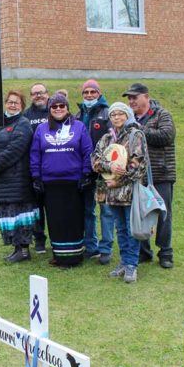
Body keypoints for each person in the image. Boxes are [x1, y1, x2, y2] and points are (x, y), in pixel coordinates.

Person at [29, 91, 93, 268]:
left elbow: (87, 151)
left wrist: (86, 173)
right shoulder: (42, 129)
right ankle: (59, 255)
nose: (58, 109)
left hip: (73, 182)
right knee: (56, 221)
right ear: (50, 109)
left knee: (73, 220)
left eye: (61, 106)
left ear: (67, 108)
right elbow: (35, 154)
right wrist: (36, 177)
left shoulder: (78, 126)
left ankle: (74, 256)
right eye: (54, 106)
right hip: (51, 183)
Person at [91, 102, 148, 283]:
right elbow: (95, 160)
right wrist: (109, 166)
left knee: (132, 230)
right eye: (113, 114)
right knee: (121, 229)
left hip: (129, 191)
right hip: (112, 193)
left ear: (127, 115)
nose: (116, 117)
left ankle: (132, 265)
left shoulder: (135, 135)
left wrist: (118, 181)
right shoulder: (107, 138)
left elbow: (139, 165)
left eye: (120, 114)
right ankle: (123, 262)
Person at [123, 83, 176, 269]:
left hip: (161, 174)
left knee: (163, 215)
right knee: (140, 214)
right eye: (129, 98)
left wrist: (139, 129)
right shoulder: (129, 118)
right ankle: (144, 253)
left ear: (146, 96)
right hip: (138, 175)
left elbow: (167, 136)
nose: (131, 101)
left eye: (134, 97)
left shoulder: (162, 114)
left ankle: (166, 253)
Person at [0, 90, 38, 262]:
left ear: (21, 106)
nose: (12, 105)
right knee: (8, 215)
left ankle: (23, 251)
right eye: (10, 102)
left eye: (16, 102)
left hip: (18, 180)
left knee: (20, 214)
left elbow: (15, 149)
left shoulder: (23, 124)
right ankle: (16, 249)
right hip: (0, 180)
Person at [74, 79, 115, 264]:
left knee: (106, 211)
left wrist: (104, 164)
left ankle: (106, 248)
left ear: (99, 93)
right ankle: (91, 246)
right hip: (85, 171)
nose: (89, 95)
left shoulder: (107, 114)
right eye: (86, 93)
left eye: (93, 92)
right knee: (87, 210)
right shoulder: (78, 114)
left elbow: (113, 143)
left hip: (104, 172)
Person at [23, 83, 50, 254]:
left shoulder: (55, 110)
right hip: (34, 170)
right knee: (37, 208)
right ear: (31, 96)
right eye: (34, 93)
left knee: (54, 206)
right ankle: (39, 239)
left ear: (47, 94)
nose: (38, 96)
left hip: (54, 168)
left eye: (41, 93)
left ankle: (58, 238)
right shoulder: (26, 116)